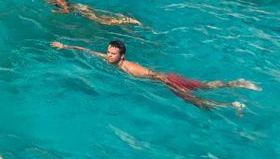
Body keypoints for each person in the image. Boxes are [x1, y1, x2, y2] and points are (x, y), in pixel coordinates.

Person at [50, 40, 259, 112]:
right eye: (108, 52)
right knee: (204, 86)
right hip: (167, 79)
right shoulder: (108, 59)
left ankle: (232, 104)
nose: (108, 55)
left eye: (113, 54)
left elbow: (153, 76)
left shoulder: (131, 68)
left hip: (167, 81)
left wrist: (175, 87)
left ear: (122, 56)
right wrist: (65, 46)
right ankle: (236, 84)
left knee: (199, 101)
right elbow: (87, 50)